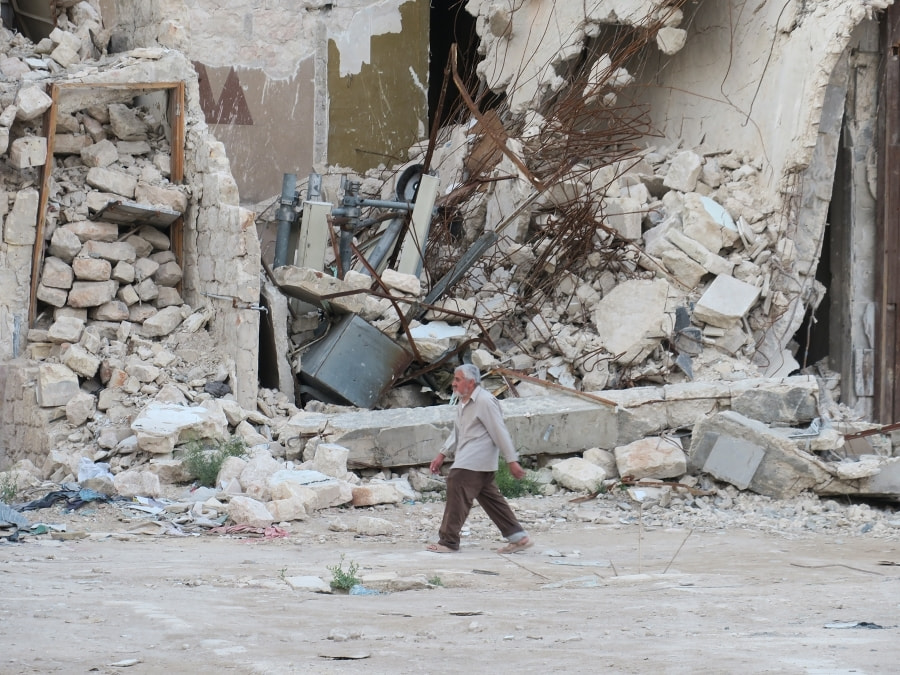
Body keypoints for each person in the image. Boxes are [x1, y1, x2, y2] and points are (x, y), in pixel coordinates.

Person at [426, 364, 533, 554]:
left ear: (471, 382)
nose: (453, 383)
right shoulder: (463, 402)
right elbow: (458, 431)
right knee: (490, 498)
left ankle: (448, 541)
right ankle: (518, 537)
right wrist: (442, 454)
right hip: (473, 460)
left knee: (456, 484)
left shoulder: (485, 401)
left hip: (474, 459)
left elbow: (499, 431)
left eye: (458, 379)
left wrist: (512, 460)